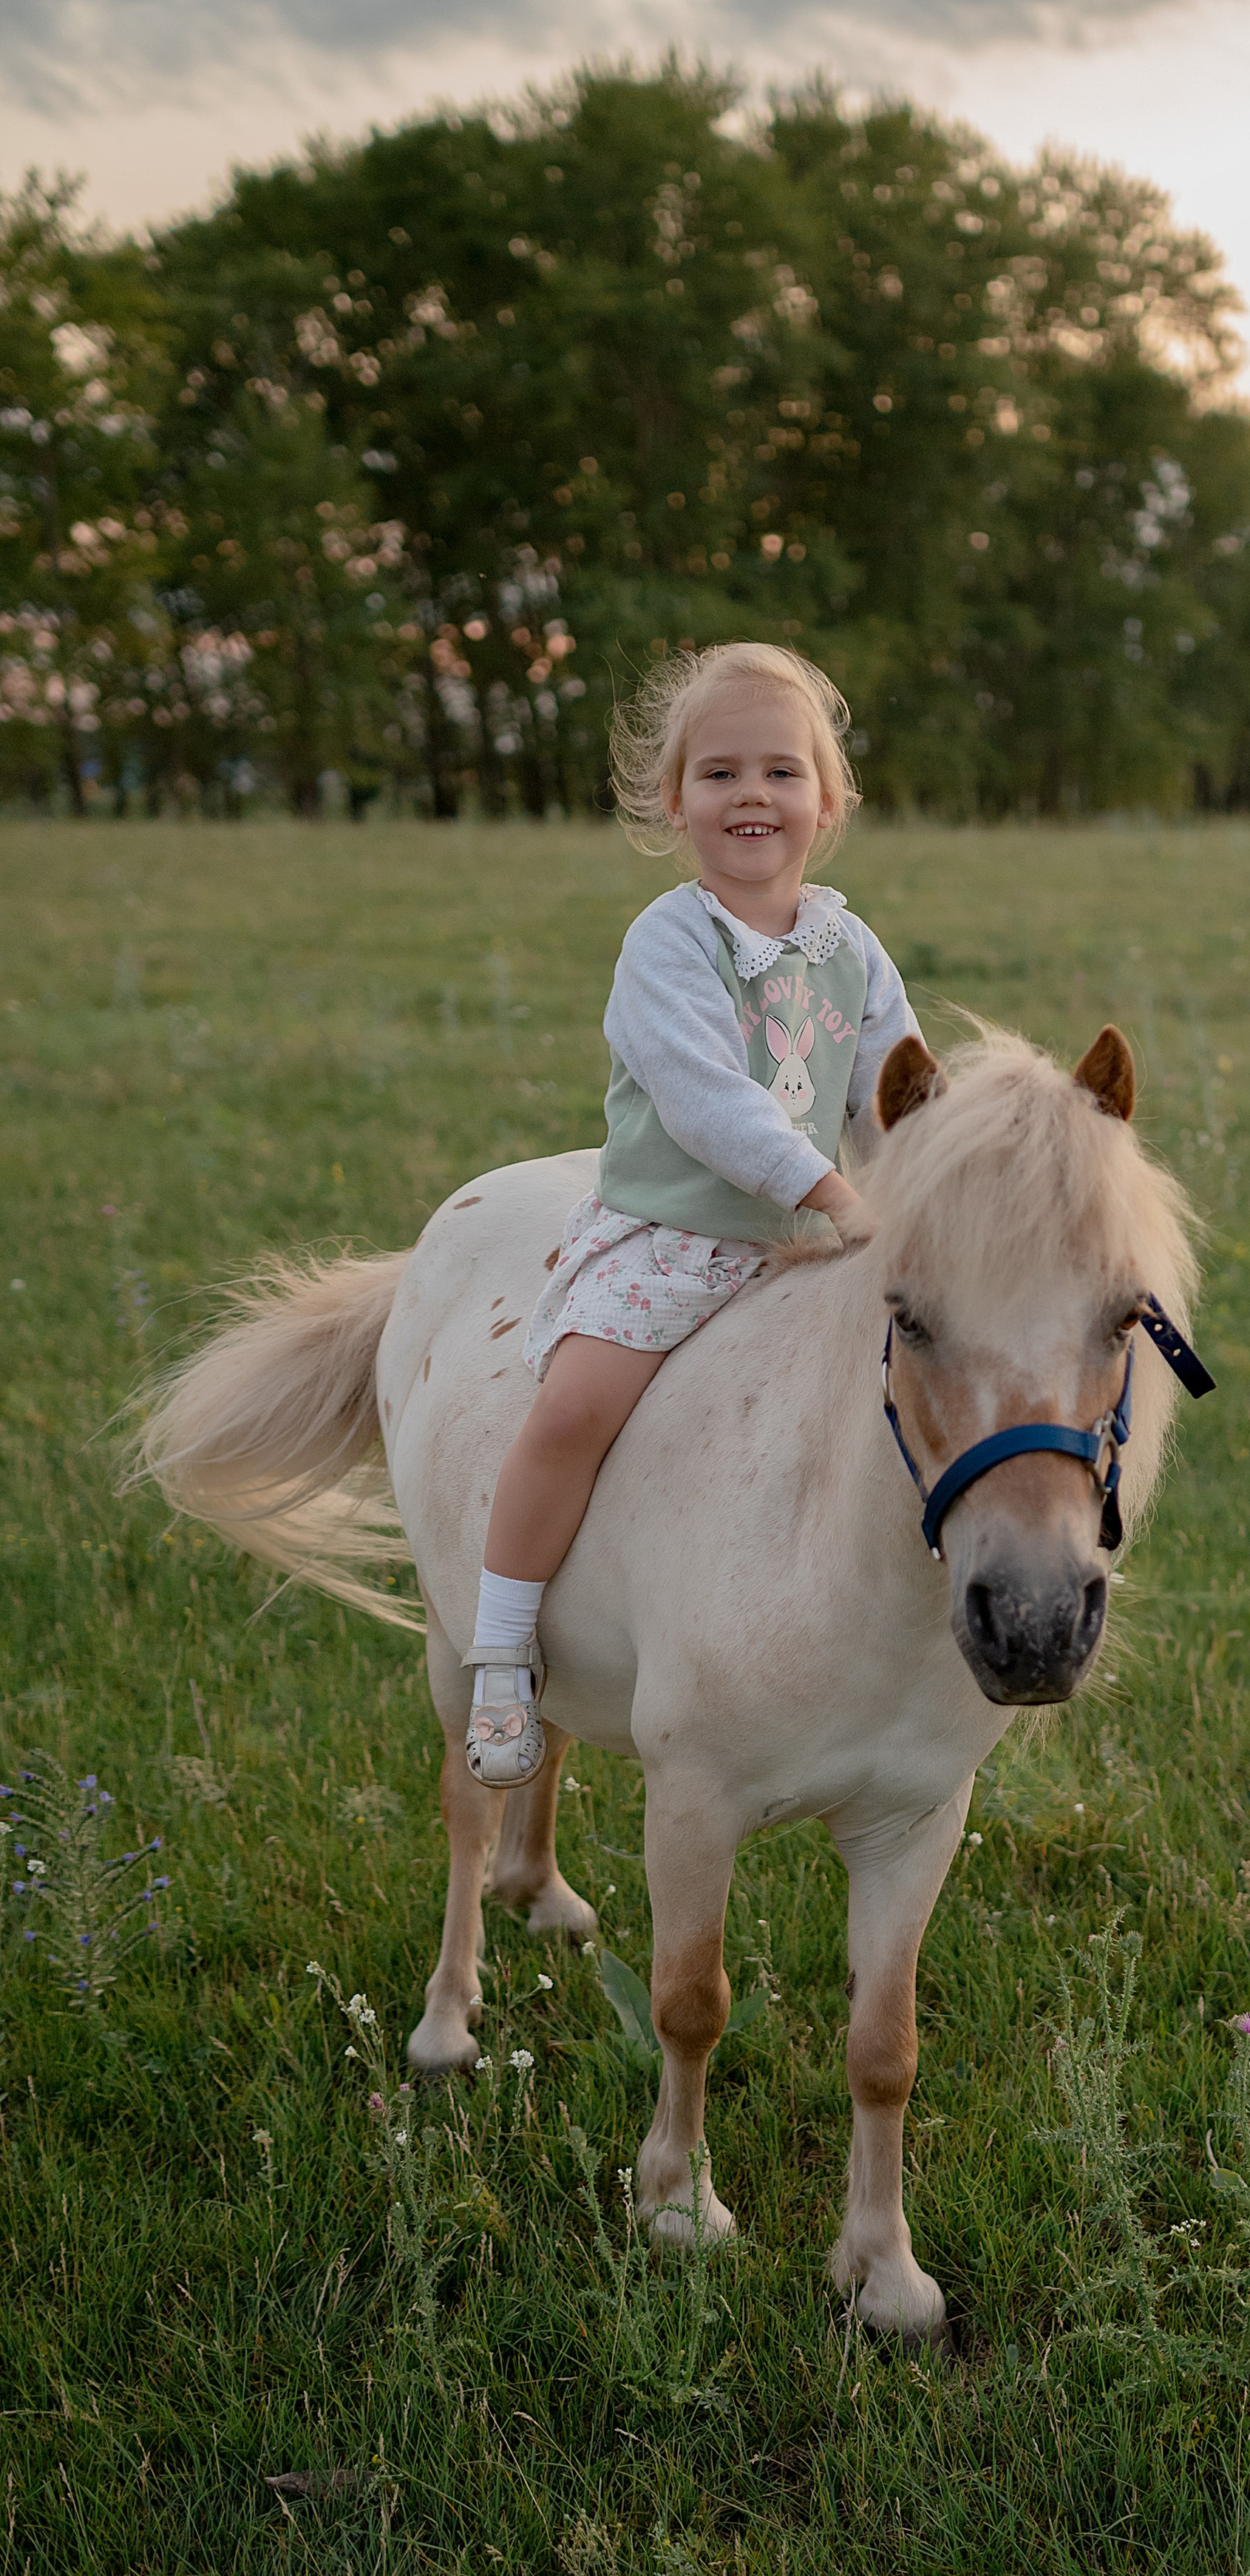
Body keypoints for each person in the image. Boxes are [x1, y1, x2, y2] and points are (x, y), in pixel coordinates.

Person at [463, 642, 919, 1785]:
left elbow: (895, 1094)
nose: (751, 795)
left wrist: (934, 1186)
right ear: (673, 802)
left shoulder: (851, 951)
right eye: (719, 774)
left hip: (806, 1253)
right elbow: (711, 1101)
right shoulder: (669, 942)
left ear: (829, 799)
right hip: (671, 1242)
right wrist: (834, 1195)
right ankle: (503, 1649)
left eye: (781, 771)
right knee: (572, 1411)